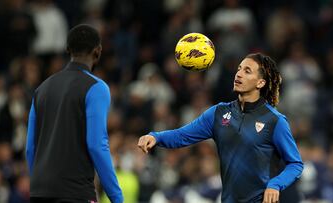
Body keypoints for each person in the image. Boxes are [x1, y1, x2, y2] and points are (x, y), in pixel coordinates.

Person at [138, 53, 304, 203]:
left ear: (261, 82)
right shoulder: (218, 113)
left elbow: (295, 164)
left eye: (247, 71)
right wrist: (156, 137)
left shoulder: (275, 121)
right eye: (239, 69)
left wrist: (275, 184)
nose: (238, 74)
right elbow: (182, 136)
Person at [26, 24, 123, 203]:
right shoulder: (97, 88)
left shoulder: (42, 88)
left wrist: (39, 185)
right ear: (98, 51)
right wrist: (117, 198)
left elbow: (30, 147)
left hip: (39, 192)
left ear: (68, 50)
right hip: (75, 192)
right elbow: (97, 145)